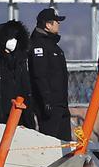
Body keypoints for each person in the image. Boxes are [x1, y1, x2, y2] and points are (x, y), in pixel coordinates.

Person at [0, 20, 36, 128]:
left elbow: (25, 87)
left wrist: (29, 114)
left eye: (15, 38)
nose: (13, 41)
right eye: (10, 38)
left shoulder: (20, 61)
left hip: (19, 112)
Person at [28, 8, 71, 140]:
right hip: (49, 104)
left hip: (61, 103)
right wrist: (46, 100)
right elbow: (39, 75)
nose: (59, 24)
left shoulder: (53, 46)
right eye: (56, 22)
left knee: (64, 142)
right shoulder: (38, 45)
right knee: (50, 140)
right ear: (48, 25)